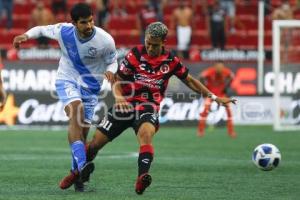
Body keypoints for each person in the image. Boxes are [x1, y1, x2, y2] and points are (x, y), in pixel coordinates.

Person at [82, 22, 236, 195]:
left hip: (148, 107)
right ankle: (79, 174)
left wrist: (214, 97)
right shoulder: (135, 54)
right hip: (125, 104)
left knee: (146, 135)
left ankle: (142, 178)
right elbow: (117, 80)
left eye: (154, 45)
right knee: (95, 144)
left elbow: (191, 81)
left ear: (163, 43)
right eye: (148, 42)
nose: (149, 47)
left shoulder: (171, 61)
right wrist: (118, 98)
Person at [12, 2, 118, 192]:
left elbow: (113, 61)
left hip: (91, 87)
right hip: (67, 79)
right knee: (75, 113)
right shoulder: (63, 31)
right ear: (74, 23)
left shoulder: (105, 40)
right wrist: (26, 35)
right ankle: (82, 166)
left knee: (83, 133)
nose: (89, 26)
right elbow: (41, 29)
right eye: (84, 22)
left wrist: (110, 71)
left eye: (91, 21)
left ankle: (77, 172)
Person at [197, 61, 236, 138]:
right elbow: (200, 77)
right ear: (215, 67)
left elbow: (232, 76)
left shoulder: (226, 71)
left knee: (229, 112)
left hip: (221, 94)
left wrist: (226, 87)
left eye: (221, 67)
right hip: (210, 94)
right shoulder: (210, 71)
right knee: (205, 111)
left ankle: (231, 132)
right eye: (218, 67)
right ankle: (200, 131)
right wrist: (205, 89)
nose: (220, 69)